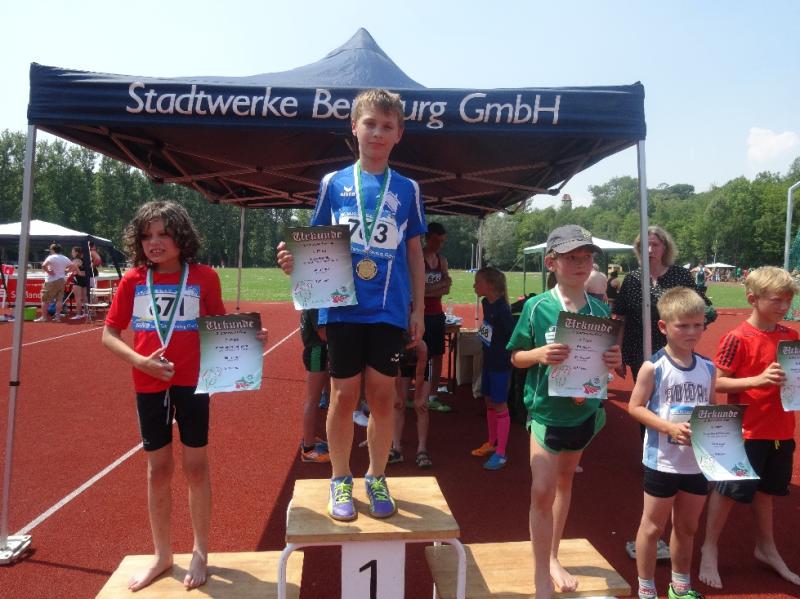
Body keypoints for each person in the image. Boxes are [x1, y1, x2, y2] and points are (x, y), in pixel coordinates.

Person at [276, 88, 426, 522]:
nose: (377, 133)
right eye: (370, 124)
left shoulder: (409, 189)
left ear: (399, 134)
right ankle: (340, 477)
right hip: (342, 306)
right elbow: (314, 244)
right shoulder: (333, 183)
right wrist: (292, 262)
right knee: (342, 395)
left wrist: (417, 309)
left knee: (383, 396)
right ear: (354, 127)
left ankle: (376, 475)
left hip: (388, 309)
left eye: (387, 126)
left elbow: (414, 253)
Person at [102, 200, 267, 591]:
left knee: (196, 468)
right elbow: (109, 334)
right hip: (149, 383)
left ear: (181, 236)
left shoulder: (204, 277)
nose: (154, 242)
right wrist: (140, 362)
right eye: (147, 236)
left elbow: (219, 323)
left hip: (194, 382)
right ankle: (162, 554)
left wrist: (248, 336)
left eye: (163, 233)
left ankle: (200, 551)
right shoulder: (133, 280)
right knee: (158, 470)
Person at [507, 224, 621, 598]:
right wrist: (538, 354)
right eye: (571, 257)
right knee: (542, 490)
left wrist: (613, 360)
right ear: (551, 263)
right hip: (545, 414)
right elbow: (516, 358)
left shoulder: (600, 309)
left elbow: (606, 364)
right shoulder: (537, 307)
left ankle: (553, 555)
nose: (581, 264)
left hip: (583, 413)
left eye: (586, 257)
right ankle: (542, 573)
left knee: (565, 482)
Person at [699, 266, 800, 590]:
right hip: (746, 431)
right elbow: (717, 381)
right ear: (752, 299)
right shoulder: (737, 337)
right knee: (727, 492)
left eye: (788, 300)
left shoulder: (791, 337)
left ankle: (766, 548)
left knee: (767, 493)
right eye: (777, 300)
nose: (784, 306)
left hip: (781, 430)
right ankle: (709, 548)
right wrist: (757, 380)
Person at [628, 287, 716, 599]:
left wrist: (724, 433)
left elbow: (711, 409)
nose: (692, 332)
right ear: (664, 327)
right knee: (653, 527)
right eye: (683, 325)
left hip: (696, 463)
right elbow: (635, 407)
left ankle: (680, 586)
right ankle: (646, 588)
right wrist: (668, 427)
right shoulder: (654, 367)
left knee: (688, 527)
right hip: (662, 461)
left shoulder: (708, 368)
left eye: (698, 325)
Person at [613, 226, 697, 381]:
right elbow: (620, 318)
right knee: (644, 394)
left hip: (674, 350)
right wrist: (618, 352)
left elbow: (697, 314)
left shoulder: (681, 276)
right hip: (638, 351)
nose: (650, 250)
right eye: (645, 245)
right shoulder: (632, 279)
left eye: (655, 245)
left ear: (665, 247)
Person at [471, 266, 514, 470]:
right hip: (488, 361)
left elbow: (513, 336)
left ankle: (501, 452)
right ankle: (492, 442)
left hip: (500, 364)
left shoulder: (503, 310)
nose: (474, 286)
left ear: (490, 285)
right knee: (488, 401)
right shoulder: (486, 303)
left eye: (478, 282)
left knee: (500, 404)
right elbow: (488, 328)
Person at [422, 221, 453, 412]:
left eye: (442, 241)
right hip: (420, 314)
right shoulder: (418, 258)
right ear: (427, 238)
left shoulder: (442, 260)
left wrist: (429, 289)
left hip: (437, 313)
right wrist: (438, 286)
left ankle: (432, 395)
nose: (439, 245)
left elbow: (447, 287)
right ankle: (419, 393)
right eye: (435, 241)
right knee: (420, 355)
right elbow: (418, 290)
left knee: (438, 354)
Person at [391, 335, 432, 468]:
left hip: (422, 365)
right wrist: (397, 395)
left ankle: (422, 449)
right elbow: (396, 373)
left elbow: (420, 374)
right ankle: (396, 447)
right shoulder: (394, 346)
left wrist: (418, 397)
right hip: (401, 366)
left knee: (421, 406)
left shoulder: (421, 347)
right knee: (398, 405)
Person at [299, 308, 331, 463]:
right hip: (316, 352)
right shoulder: (315, 305)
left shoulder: (310, 302)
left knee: (314, 399)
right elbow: (323, 333)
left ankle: (310, 438)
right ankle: (308, 449)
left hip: (317, 350)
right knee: (313, 400)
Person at [35, 243, 74, 322]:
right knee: (59, 299)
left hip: (51, 280)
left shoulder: (51, 257)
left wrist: (49, 272)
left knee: (45, 299)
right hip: (61, 280)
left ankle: (44, 317)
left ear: (53, 250)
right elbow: (73, 266)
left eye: (50, 249)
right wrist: (66, 271)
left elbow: (43, 265)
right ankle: (57, 317)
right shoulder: (65, 258)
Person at [69, 245, 88, 319]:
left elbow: (70, 269)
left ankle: (78, 314)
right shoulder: (85, 260)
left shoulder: (76, 260)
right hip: (85, 279)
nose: (72, 253)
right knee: (85, 297)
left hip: (78, 279)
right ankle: (85, 313)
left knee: (78, 298)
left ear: (76, 252)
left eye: (72, 252)